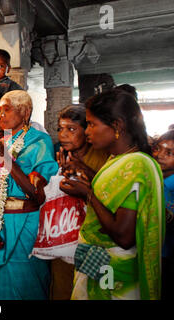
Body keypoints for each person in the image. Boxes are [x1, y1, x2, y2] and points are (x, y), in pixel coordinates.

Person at [60, 89, 165, 300]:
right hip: (98, 258)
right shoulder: (118, 159)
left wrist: (87, 194)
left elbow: (124, 236)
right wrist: (83, 186)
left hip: (113, 270)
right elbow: (109, 203)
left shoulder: (135, 165)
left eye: (91, 124)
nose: (87, 132)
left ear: (116, 126)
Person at [0, 90, 58, 299]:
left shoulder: (39, 141)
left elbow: (36, 194)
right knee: (4, 282)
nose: (1, 116)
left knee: (26, 279)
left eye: (7, 110)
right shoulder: (4, 140)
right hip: (1, 222)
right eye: (0, 111)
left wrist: (3, 156)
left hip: (25, 223)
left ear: (25, 112)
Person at [50, 105, 109, 300]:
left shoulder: (102, 157)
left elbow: (108, 196)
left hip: (93, 237)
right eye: (60, 129)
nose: (64, 135)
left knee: (88, 288)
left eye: (71, 129)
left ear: (87, 131)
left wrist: (82, 169)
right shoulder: (61, 155)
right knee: (62, 286)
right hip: (64, 233)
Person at [152, 129, 174, 300]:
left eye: (169, 152)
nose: (160, 155)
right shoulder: (157, 174)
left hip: (170, 250)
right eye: (158, 149)